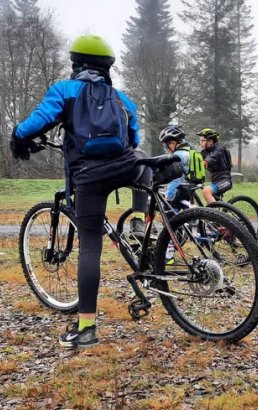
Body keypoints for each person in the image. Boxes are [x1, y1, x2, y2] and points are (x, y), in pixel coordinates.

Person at [10, 34, 151, 349]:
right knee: (143, 162)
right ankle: (140, 221)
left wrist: (17, 135)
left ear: (77, 64)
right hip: (125, 166)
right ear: (105, 68)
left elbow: (39, 121)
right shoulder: (123, 99)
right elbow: (135, 139)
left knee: (90, 247)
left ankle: (86, 326)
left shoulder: (65, 90)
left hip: (88, 175)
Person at [158, 125, 191, 209]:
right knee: (186, 215)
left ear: (173, 143)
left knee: (169, 217)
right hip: (187, 188)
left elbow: (175, 179)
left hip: (178, 190)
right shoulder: (188, 152)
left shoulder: (176, 155)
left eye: (166, 145)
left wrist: (168, 197)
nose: (166, 148)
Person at [197, 128, 232, 204]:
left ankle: (215, 215)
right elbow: (196, 159)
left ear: (210, 141)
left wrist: (206, 162)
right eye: (200, 140)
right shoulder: (204, 152)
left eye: (202, 140)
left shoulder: (219, 149)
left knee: (206, 191)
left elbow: (213, 157)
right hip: (214, 182)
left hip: (225, 180)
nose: (200, 143)